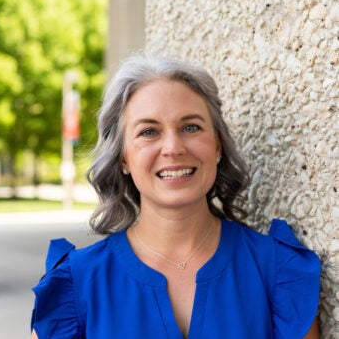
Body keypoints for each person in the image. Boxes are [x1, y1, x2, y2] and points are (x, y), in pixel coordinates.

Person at [31, 54, 321, 339]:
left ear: (217, 146)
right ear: (123, 158)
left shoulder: (278, 270)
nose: (173, 147)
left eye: (190, 127)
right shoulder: (77, 283)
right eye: (148, 132)